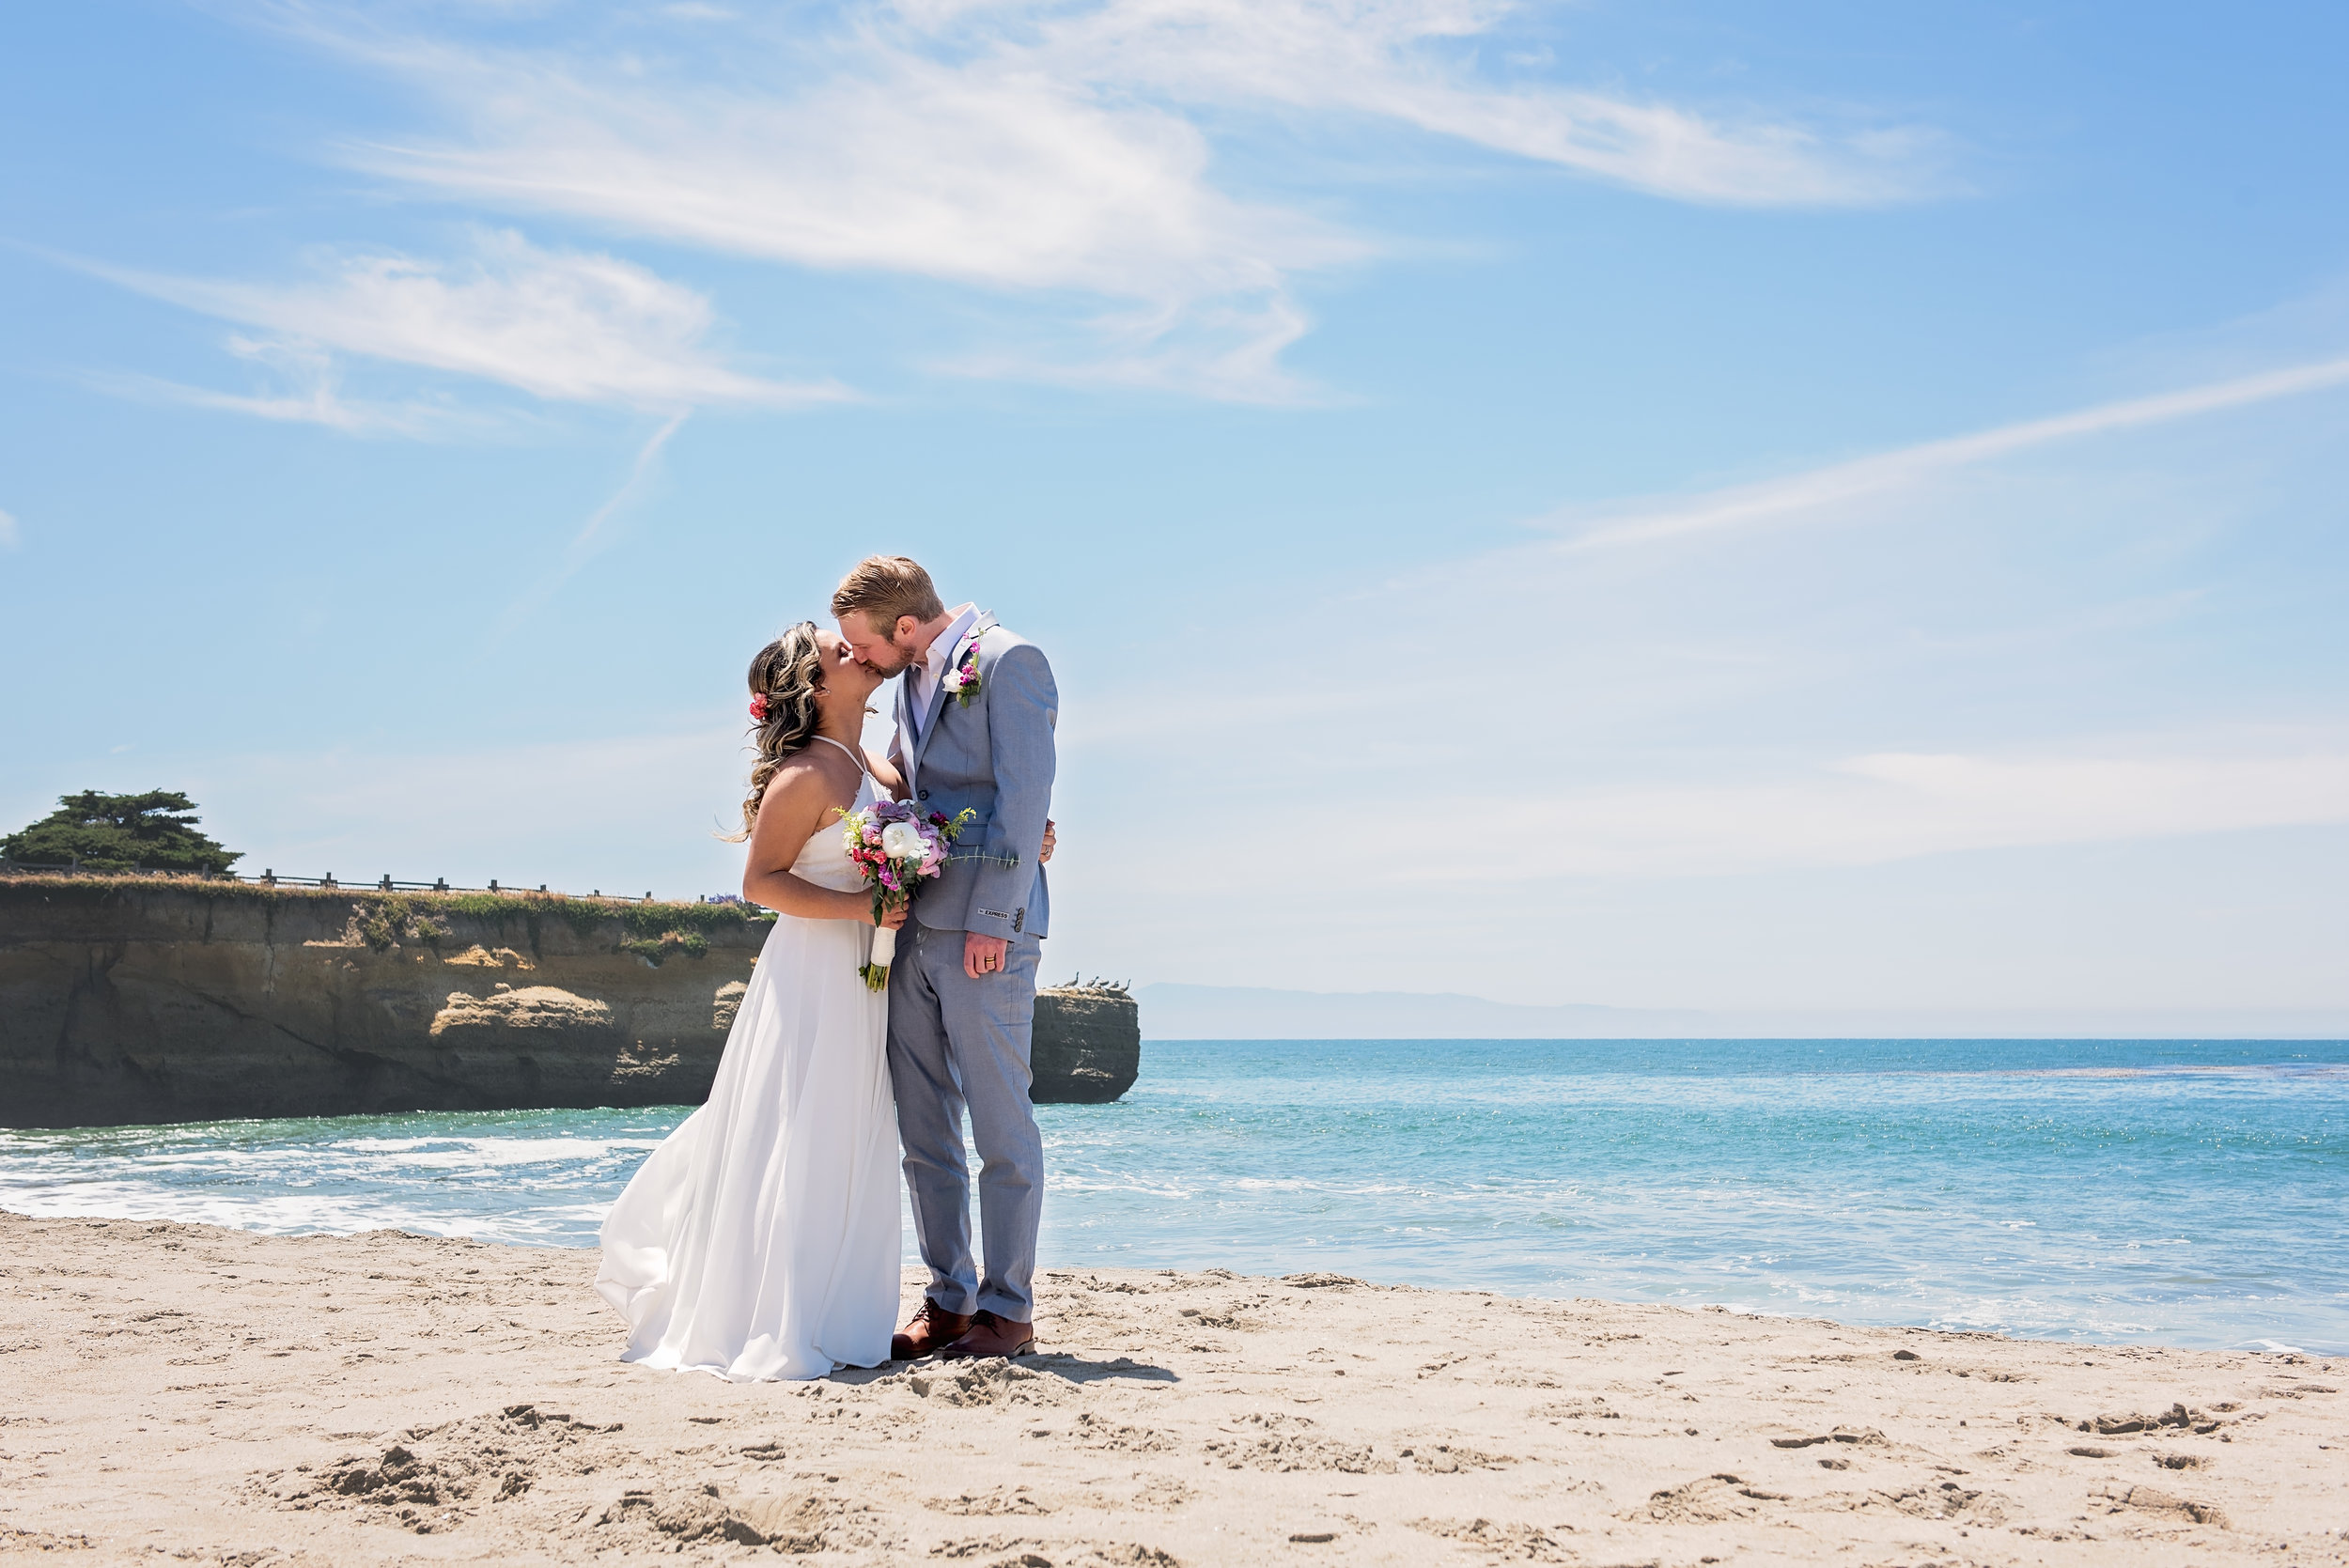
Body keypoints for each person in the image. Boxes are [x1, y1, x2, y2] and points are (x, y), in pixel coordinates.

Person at [594, 622, 909, 1380]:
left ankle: (838, 1305)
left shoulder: (870, 763)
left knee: (850, 1127)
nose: (856, 652)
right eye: (841, 652)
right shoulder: (803, 776)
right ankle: (784, 1311)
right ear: (816, 688)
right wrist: (865, 909)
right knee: (801, 1125)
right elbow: (761, 882)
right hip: (814, 970)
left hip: (868, 971)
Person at [833, 555, 1058, 1361]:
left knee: (1001, 1122)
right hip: (914, 926)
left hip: (986, 933)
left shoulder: (1010, 661)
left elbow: (1026, 792)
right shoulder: (906, 684)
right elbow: (913, 780)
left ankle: (1009, 1307)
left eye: (863, 646)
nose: (858, 659)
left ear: (903, 627)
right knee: (924, 1127)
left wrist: (998, 913)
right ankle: (949, 1297)